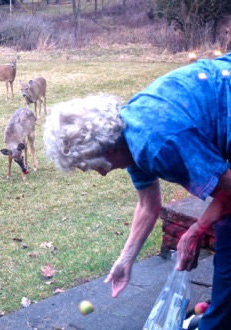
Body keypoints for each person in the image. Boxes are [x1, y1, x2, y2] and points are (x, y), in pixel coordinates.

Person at [43, 53, 231, 329]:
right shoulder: (130, 132)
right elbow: (148, 204)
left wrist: (196, 230)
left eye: (94, 166)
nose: (101, 173)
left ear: (108, 150)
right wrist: (125, 260)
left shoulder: (157, 146)